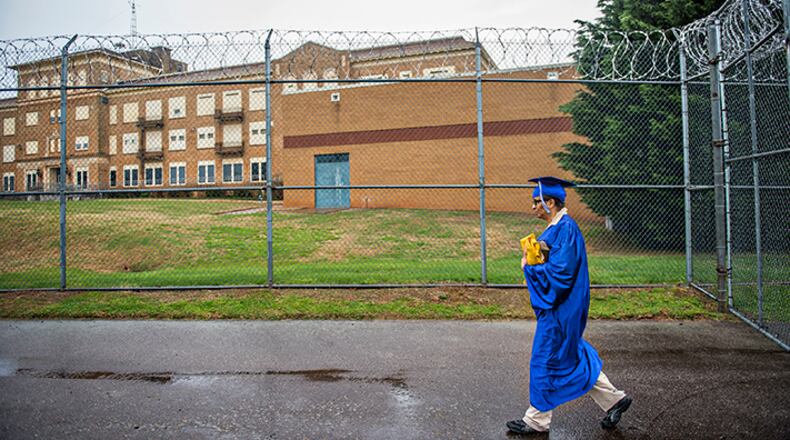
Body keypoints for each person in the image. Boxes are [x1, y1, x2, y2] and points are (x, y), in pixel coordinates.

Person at [506, 176, 632, 436]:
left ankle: (536, 420)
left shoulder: (566, 229)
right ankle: (615, 399)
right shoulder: (557, 228)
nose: (533, 208)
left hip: (561, 307)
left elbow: (561, 274)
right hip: (563, 307)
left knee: (545, 358)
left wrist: (529, 267)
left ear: (550, 202)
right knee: (571, 352)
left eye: (536, 202)